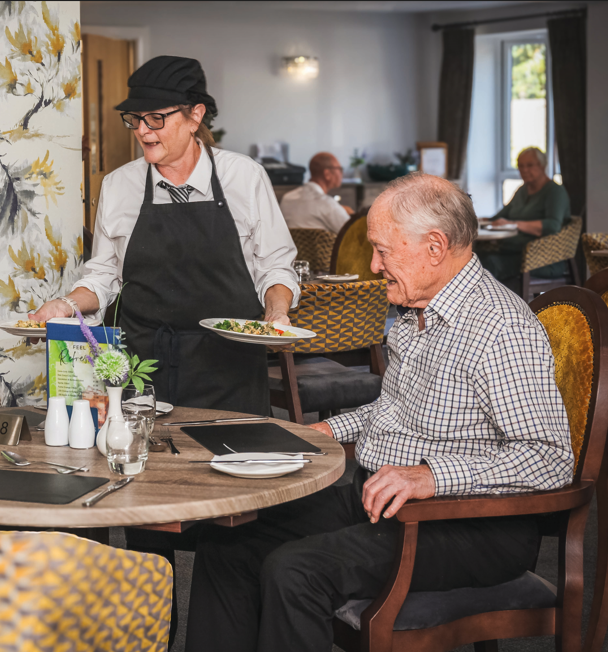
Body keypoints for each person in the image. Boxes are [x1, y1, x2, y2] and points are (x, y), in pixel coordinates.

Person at [185, 172, 573, 652]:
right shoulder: (415, 315)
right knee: (229, 542)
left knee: (294, 571)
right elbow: (393, 412)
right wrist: (317, 430)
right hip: (382, 496)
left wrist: (431, 477)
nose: (373, 265)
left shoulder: (499, 328)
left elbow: (551, 457)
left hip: (469, 522)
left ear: (435, 247)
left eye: (383, 250)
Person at [31, 55, 299, 417]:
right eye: (135, 119)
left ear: (195, 116)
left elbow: (276, 267)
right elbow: (104, 276)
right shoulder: (118, 185)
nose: (143, 130)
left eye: (156, 117)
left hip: (229, 364)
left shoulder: (245, 178)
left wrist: (276, 313)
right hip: (142, 366)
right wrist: (67, 305)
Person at [479, 147, 571, 288]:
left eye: (529, 165)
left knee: (487, 264)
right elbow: (499, 218)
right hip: (512, 251)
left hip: (540, 259)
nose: (524, 170)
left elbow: (553, 226)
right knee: (473, 256)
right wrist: (476, 220)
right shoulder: (522, 191)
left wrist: (515, 224)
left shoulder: (555, 191)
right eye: (520, 166)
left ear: (542, 166)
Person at [279, 152, 354, 232]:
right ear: (327, 174)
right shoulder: (327, 204)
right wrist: (351, 214)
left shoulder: (287, 198)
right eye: (340, 169)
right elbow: (353, 233)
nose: (341, 173)